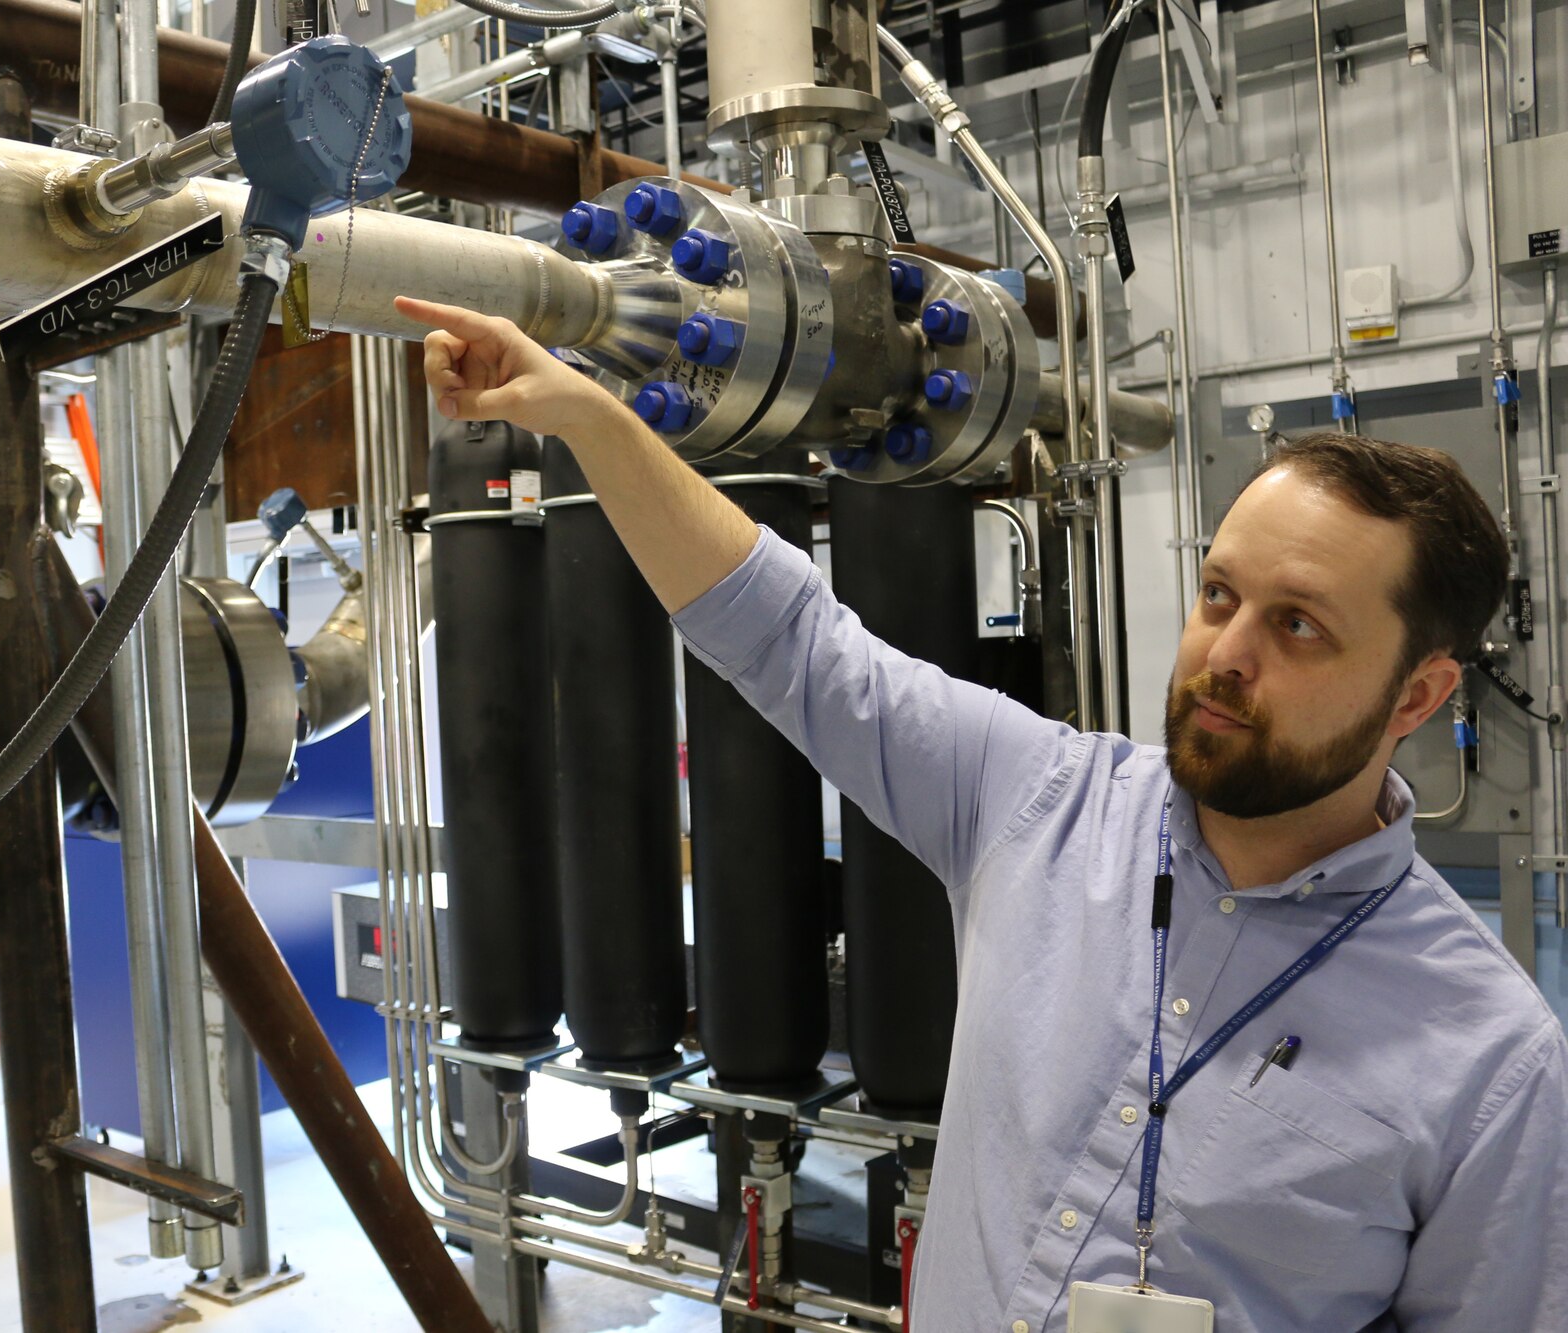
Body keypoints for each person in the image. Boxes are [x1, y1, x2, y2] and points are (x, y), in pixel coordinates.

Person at [394, 294, 1568, 1331]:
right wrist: (588, 418)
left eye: (1297, 625)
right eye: (1217, 594)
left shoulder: (1488, 1065)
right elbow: (793, 641)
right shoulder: (1046, 803)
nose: (1224, 654)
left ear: (1417, 691)